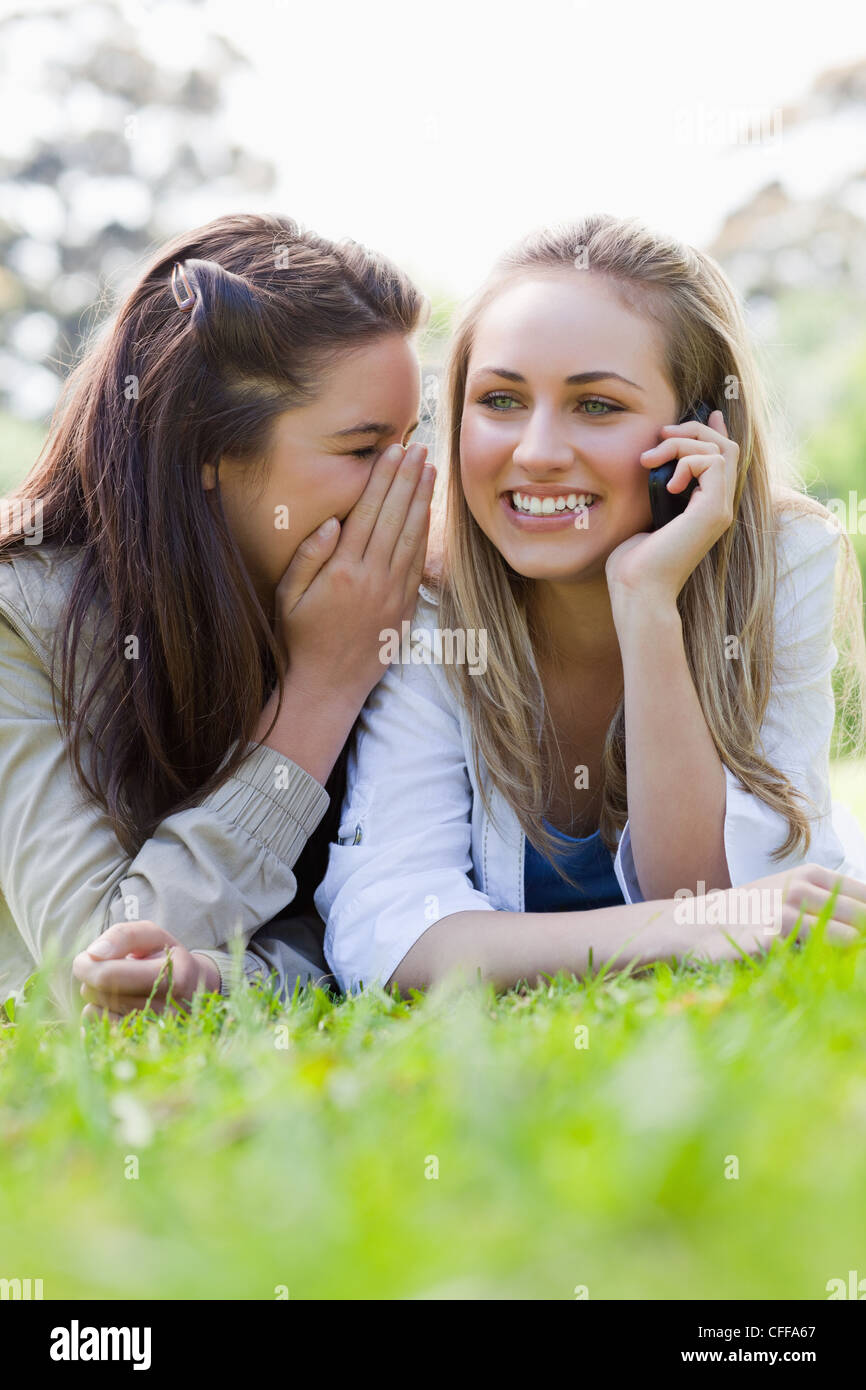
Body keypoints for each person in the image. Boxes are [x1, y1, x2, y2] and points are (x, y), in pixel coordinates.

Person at [314, 213, 866, 993]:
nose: (536, 453)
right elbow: (393, 934)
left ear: (699, 430)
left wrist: (647, 602)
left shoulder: (781, 565)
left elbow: (727, 900)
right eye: (500, 400)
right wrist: (681, 931)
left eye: (596, 406)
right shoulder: (425, 603)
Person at [0, 212, 434, 1016]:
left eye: (414, 440)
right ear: (208, 448)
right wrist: (318, 697)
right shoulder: (20, 621)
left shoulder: (399, 610)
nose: (406, 485)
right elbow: (101, 973)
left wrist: (227, 981)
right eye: (363, 449)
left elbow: (389, 926)